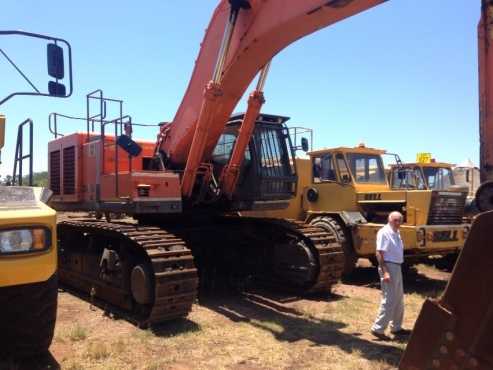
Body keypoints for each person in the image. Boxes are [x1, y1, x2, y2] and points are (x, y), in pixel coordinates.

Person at [371, 211, 411, 340]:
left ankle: (396, 327)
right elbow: (379, 253)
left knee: (399, 299)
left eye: (400, 220)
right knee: (389, 299)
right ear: (389, 220)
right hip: (388, 266)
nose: (398, 223)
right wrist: (385, 271)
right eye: (395, 220)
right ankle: (378, 329)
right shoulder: (384, 232)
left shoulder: (396, 232)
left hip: (397, 266)